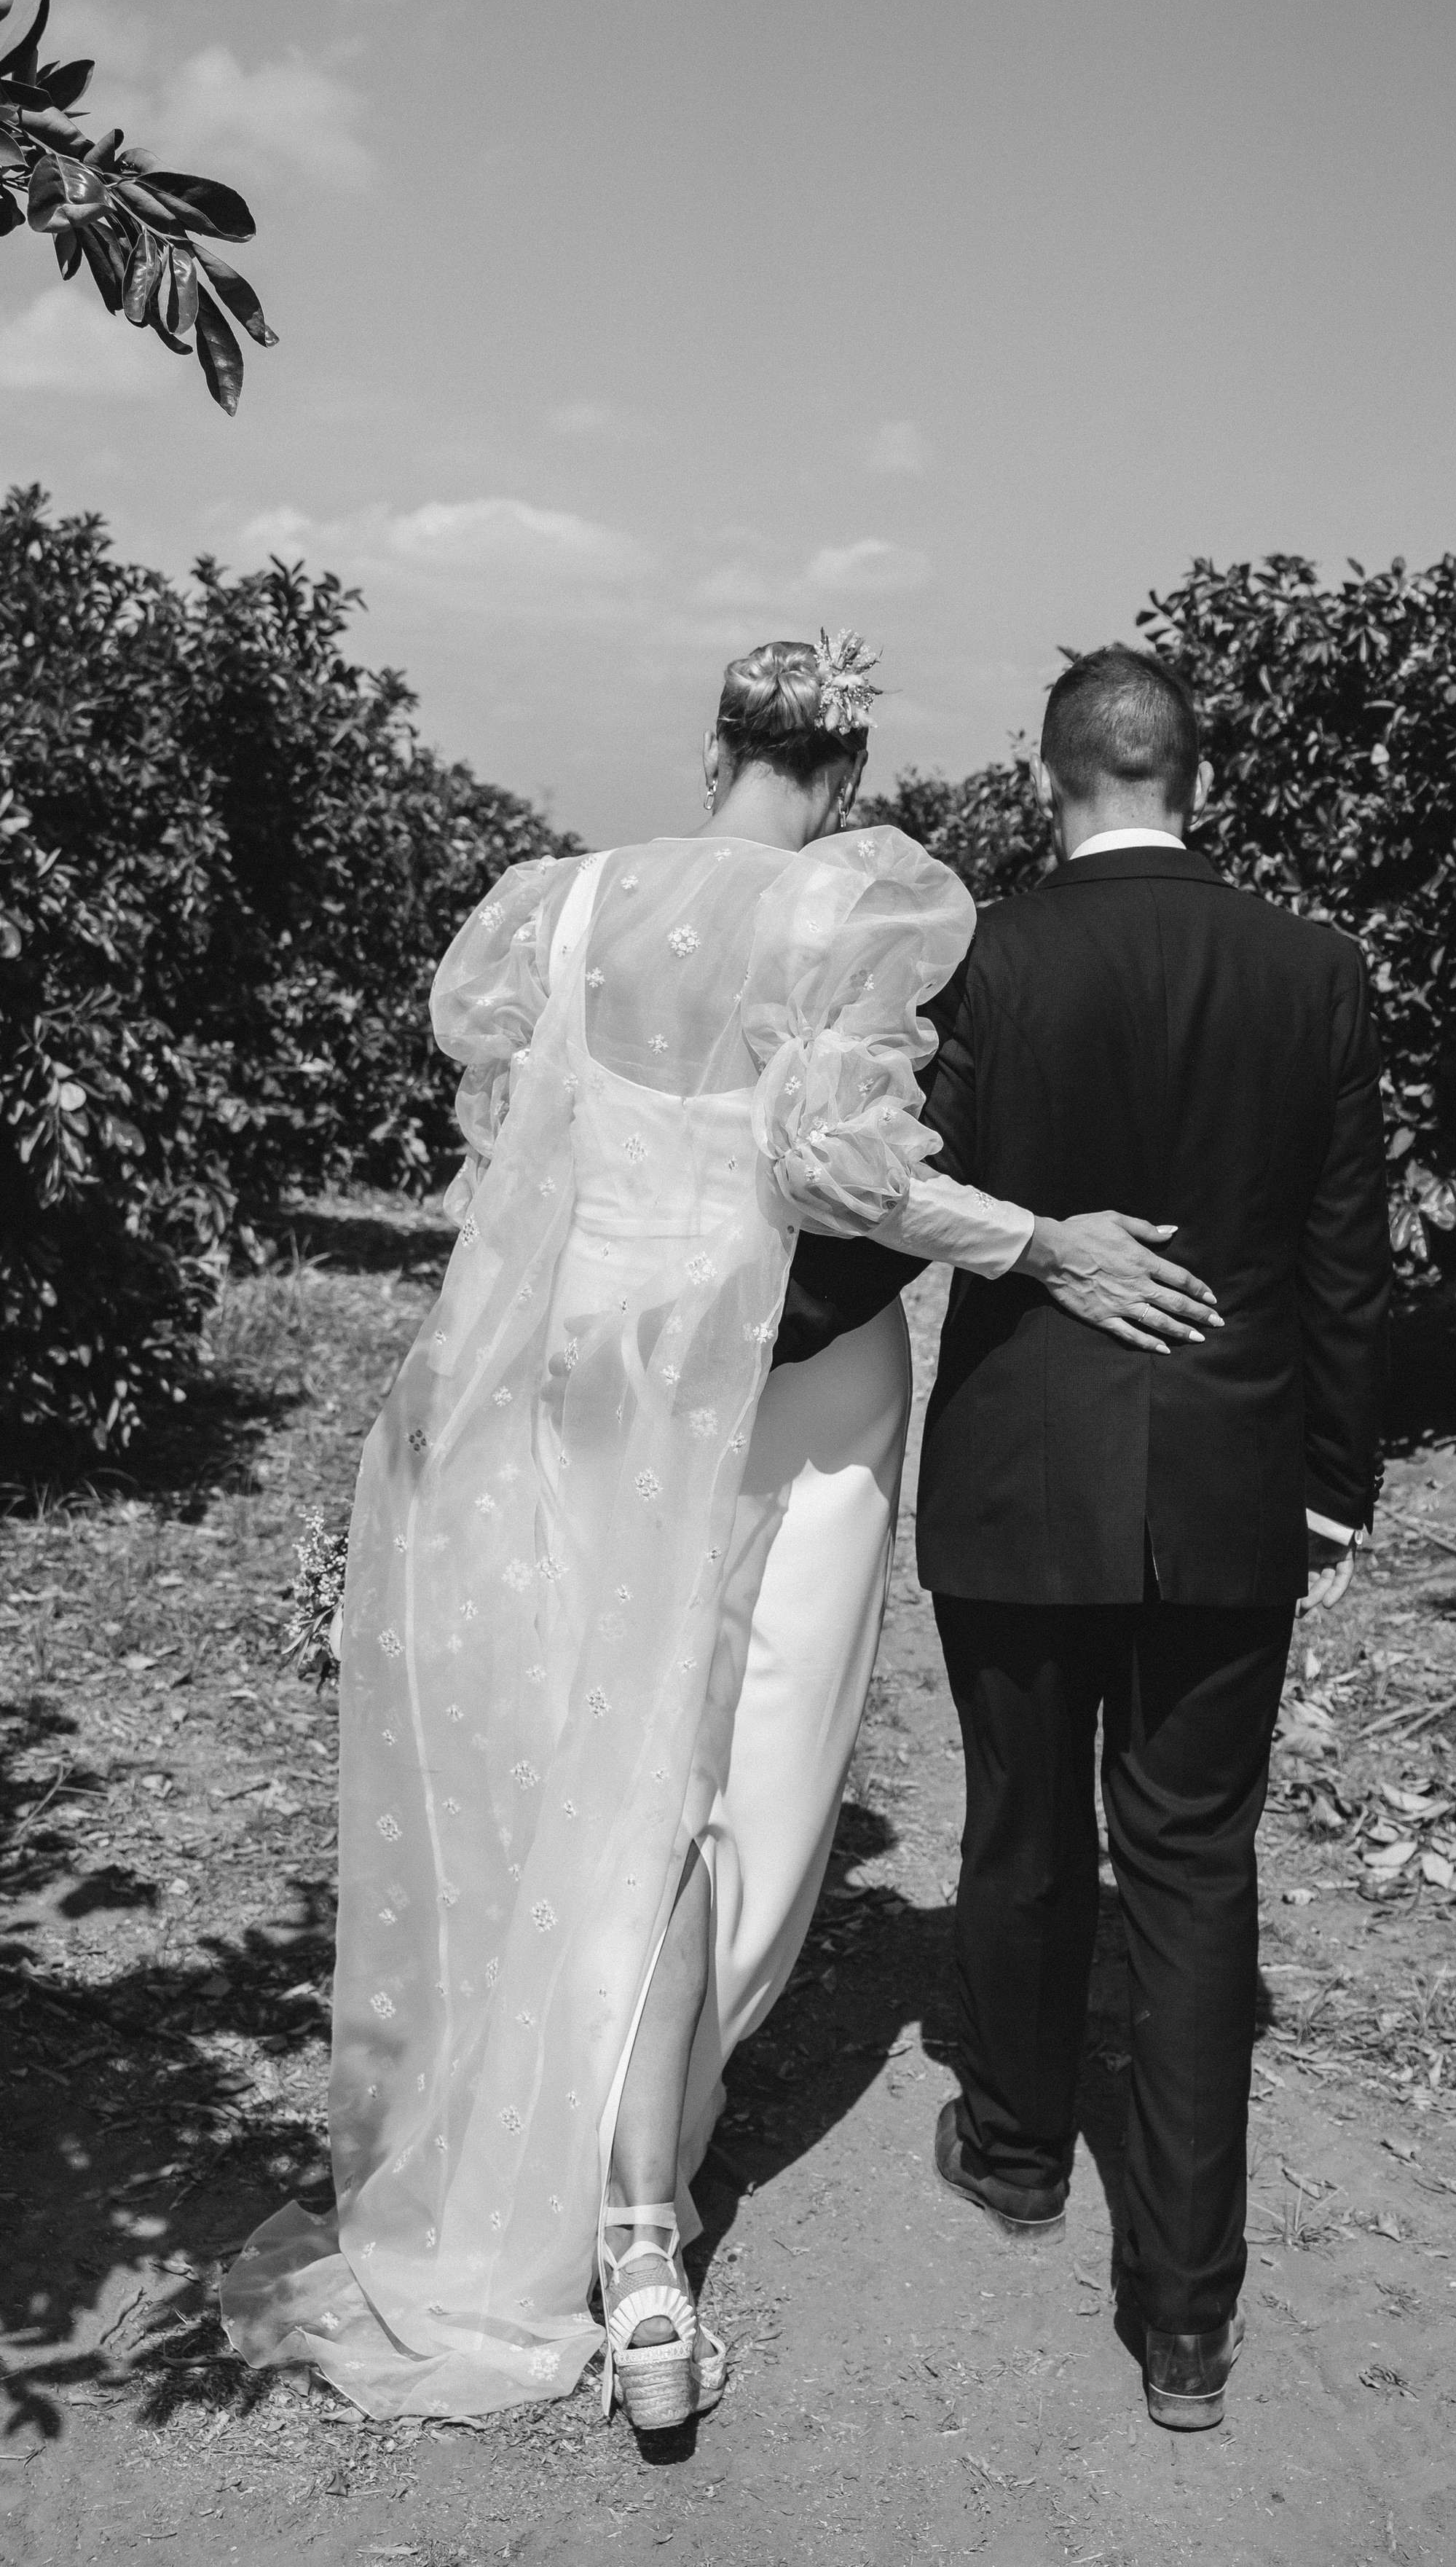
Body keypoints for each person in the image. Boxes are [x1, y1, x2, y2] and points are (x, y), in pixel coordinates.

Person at [221, 633, 1216, 2428]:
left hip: (569, 1377)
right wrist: (1038, 1241)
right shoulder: (855, 915)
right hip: (768, 1391)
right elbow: (841, 1175)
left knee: (585, 1764)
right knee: (721, 1779)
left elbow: (498, 1156)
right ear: (841, 774)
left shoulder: (557, 908)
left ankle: (568, 2164)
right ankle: (641, 2217)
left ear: (712, 751)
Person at [914, 644, 1390, 2432]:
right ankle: (1185, 2317)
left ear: (1046, 779)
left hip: (1017, 1476)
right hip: (1225, 1482)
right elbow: (1348, 1254)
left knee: (1023, 1830)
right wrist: (1331, 1481)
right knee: (1193, 1875)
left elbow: (913, 1195)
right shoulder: (1312, 967)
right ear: (1204, 780)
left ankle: (1022, 2151)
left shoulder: (985, 957)